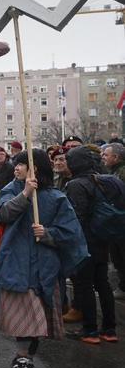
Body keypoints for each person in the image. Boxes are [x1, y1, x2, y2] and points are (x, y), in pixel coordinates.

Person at [0, 149, 86, 368]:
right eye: (15, 165)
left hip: (46, 265)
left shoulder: (57, 197)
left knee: (41, 316)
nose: (15, 168)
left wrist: (48, 233)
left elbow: (70, 232)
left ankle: (26, 354)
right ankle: (22, 357)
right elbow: (4, 214)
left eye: (20, 164)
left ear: (34, 168)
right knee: (30, 315)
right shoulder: (11, 190)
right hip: (18, 262)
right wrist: (26, 194)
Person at [64, 146, 118, 344]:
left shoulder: (76, 184)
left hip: (84, 241)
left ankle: (90, 330)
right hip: (103, 238)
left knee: (85, 285)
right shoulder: (104, 180)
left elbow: (77, 216)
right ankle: (110, 329)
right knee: (102, 283)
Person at [102, 142, 125, 300]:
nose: (103, 157)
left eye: (106, 155)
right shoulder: (114, 172)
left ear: (115, 157)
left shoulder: (121, 173)